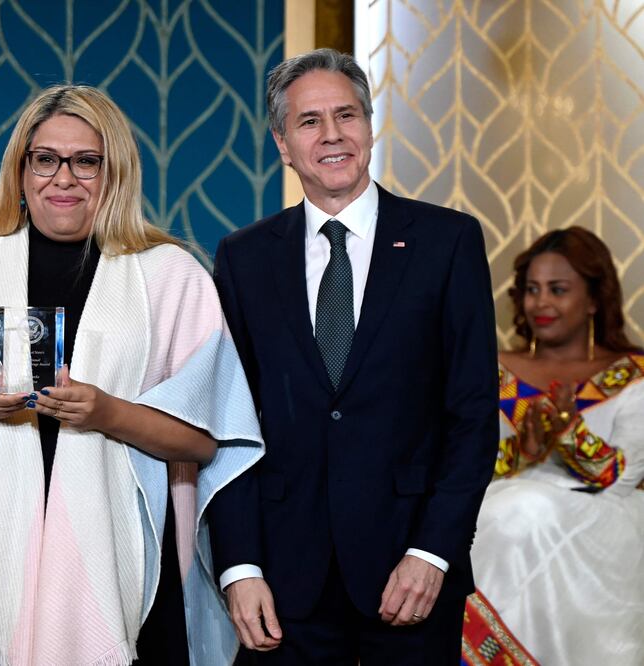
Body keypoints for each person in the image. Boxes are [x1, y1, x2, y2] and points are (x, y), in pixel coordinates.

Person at [0, 84, 263, 665]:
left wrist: (108, 413)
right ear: (21, 171)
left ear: (115, 172)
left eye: (86, 161)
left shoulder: (170, 276)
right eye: (45, 159)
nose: (63, 178)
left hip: (126, 559)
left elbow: (204, 440)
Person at [207, 48, 500, 665]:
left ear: (369, 126)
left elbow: (472, 415)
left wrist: (433, 553)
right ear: (283, 143)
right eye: (310, 121)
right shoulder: (243, 257)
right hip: (283, 581)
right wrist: (238, 565)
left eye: (347, 115)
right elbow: (229, 422)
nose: (333, 134)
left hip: (410, 572)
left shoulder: (447, 242)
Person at [466, 227, 644, 665]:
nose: (541, 303)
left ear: (595, 299)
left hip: (598, 517)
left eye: (558, 290)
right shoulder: (494, 368)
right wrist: (523, 453)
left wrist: (568, 432)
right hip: (499, 502)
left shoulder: (633, 373)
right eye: (532, 289)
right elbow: (461, 460)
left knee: (522, 509)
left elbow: (621, 478)